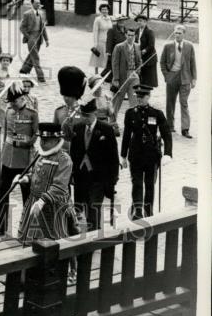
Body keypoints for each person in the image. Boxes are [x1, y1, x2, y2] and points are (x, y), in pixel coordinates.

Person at [0, 81, 39, 234]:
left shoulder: (32, 113)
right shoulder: (8, 111)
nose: (13, 104)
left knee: (26, 194)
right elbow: (5, 135)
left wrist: (27, 144)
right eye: (11, 102)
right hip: (8, 157)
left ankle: (26, 227)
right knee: (3, 192)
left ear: (22, 98)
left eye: (15, 101)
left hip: (24, 158)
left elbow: (36, 133)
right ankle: (2, 226)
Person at [17, 123, 76, 246]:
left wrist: (42, 201)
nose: (42, 144)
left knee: (53, 240)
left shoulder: (63, 159)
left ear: (56, 140)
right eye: (41, 140)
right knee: (31, 240)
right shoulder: (39, 155)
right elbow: (36, 174)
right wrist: (26, 179)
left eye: (46, 141)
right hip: (35, 202)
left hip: (53, 206)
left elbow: (60, 186)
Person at [121, 85, 172, 219]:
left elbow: (166, 134)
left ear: (148, 97)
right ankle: (137, 212)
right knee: (137, 184)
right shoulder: (130, 113)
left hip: (151, 156)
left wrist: (167, 153)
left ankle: (149, 212)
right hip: (136, 155)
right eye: (137, 97)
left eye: (142, 97)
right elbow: (126, 135)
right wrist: (123, 156)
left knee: (150, 185)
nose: (139, 99)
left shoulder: (157, 113)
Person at [69, 98, 120, 231]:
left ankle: (94, 236)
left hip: (99, 177)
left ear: (95, 113)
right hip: (82, 176)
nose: (86, 118)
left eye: (88, 115)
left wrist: (113, 179)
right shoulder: (78, 128)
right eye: (83, 115)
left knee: (93, 207)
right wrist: (72, 173)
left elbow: (113, 157)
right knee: (83, 206)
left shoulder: (106, 129)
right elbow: (73, 153)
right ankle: (88, 232)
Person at [159, 25, 196, 138]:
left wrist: (194, 78)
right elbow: (162, 63)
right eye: (176, 33)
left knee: (184, 103)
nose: (177, 35)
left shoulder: (189, 46)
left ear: (184, 34)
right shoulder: (168, 46)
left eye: (180, 33)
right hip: (172, 77)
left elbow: (193, 63)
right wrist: (167, 76)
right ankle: (170, 126)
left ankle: (185, 129)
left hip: (185, 78)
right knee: (170, 103)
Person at [110, 27, 142, 118]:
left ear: (135, 36)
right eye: (128, 35)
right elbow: (115, 64)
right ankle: (112, 121)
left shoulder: (137, 46)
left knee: (134, 100)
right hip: (122, 76)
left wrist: (138, 72)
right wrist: (116, 78)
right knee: (117, 101)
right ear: (125, 35)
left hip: (134, 76)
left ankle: (134, 122)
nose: (130, 37)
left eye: (132, 35)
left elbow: (139, 61)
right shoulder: (119, 47)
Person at [19, 0, 48, 83]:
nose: (38, 5)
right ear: (32, 4)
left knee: (32, 55)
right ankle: (41, 77)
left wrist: (46, 39)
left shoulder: (41, 13)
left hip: (39, 38)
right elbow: (22, 27)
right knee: (35, 57)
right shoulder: (27, 14)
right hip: (31, 37)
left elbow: (43, 27)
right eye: (36, 3)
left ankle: (24, 70)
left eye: (39, 3)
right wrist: (28, 37)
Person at [53, 64, 85, 141]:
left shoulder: (84, 112)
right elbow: (54, 134)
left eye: (69, 96)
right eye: (64, 95)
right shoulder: (58, 111)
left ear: (75, 95)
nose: (66, 98)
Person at [134, 14, 157, 90]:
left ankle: (146, 97)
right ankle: (140, 95)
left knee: (148, 79)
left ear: (145, 22)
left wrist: (144, 50)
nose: (139, 22)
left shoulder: (149, 32)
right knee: (140, 76)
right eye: (138, 21)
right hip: (139, 57)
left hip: (149, 58)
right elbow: (135, 42)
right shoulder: (137, 31)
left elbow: (151, 45)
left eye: (141, 21)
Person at [89, 3, 113, 73]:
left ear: (108, 10)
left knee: (107, 57)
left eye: (106, 9)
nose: (104, 11)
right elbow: (95, 31)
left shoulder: (110, 18)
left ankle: (106, 71)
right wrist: (95, 43)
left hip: (109, 40)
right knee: (98, 56)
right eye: (103, 9)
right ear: (100, 11)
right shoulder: (98, 19)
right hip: (100, 40)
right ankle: (96, 71)